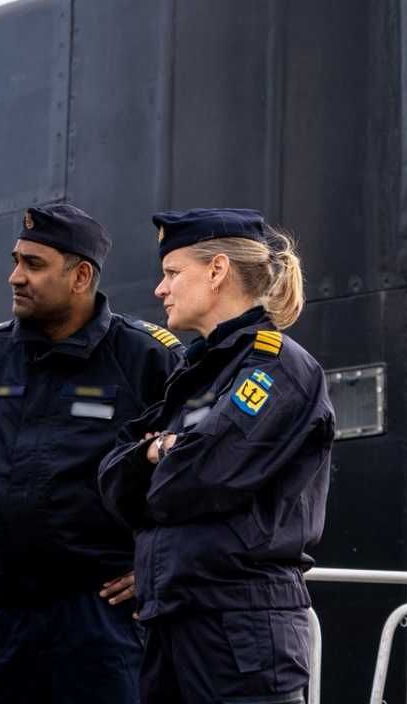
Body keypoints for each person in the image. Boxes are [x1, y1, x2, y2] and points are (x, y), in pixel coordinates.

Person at [0, 202, 182, 704]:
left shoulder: (148, 359)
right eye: (15, 260)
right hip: (0, 619)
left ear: (81, 276)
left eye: (33, 264)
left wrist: (160, 565)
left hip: (103, 620)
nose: (15, 277)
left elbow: (201, 472)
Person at [98, 209, 335, 704]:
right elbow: (114, 479)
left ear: (217, 270)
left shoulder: (275, 367)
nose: (160, 290)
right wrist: (160, 451)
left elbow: (203, 474)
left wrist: (158, 463)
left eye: (172, 273)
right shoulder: (195, 373)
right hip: (174, 621)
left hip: (240, 629)